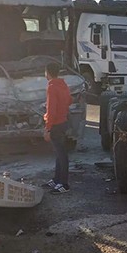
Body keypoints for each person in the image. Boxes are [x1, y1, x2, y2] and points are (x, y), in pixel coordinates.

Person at [42, 63, 73, 194]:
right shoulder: (63, 85)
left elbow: (51, 110)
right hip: (63, 121)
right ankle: (56, 180)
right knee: (59, 153)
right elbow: (70, 100)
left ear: (47, 72)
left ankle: (64, 184)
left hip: (55, 124)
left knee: (61, 154)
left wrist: (48, 128)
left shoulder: (52, 87)